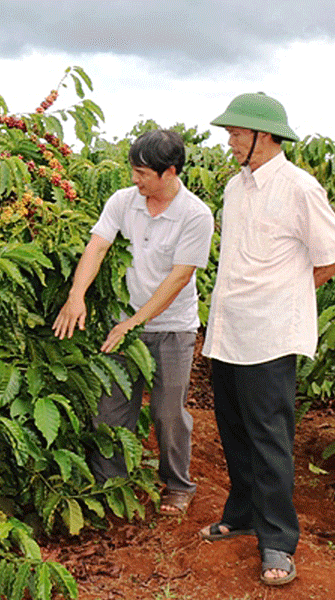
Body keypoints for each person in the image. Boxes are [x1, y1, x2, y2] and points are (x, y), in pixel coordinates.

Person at [199, 92, 335, 586]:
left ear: (263, 137)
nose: (229, 140)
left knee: (270, 439)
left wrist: (286, 297)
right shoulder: (234, 188)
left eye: (237, 133)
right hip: (230, 330)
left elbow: (332, 256)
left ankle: (279, 542)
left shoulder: (299, 188)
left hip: (270, 335)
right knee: (235, 431)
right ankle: (241, 514)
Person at [53, 129, 214, 515]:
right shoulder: (124, 202)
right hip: (120, 324)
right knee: (110, 408)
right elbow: (98, 245)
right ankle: (111, 485)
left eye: (142, 173)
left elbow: (179, 277)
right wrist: (77, 296)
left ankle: (177, 485)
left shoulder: (195, 215)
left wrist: (134, 322)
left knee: (167, 411)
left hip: (172, 328)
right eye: (133, 171)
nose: (135, 180)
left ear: (170, 171)